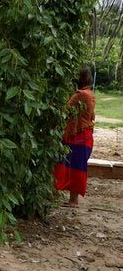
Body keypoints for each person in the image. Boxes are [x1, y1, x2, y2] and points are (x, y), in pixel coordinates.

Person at [54, 67, 96, 208]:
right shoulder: (90, 93)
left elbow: (64, 110)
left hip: (78, 136)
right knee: (76, 167)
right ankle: (72, 199)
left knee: (75, 168)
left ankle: (73, 200)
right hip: (85, 136)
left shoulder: (80, 94)